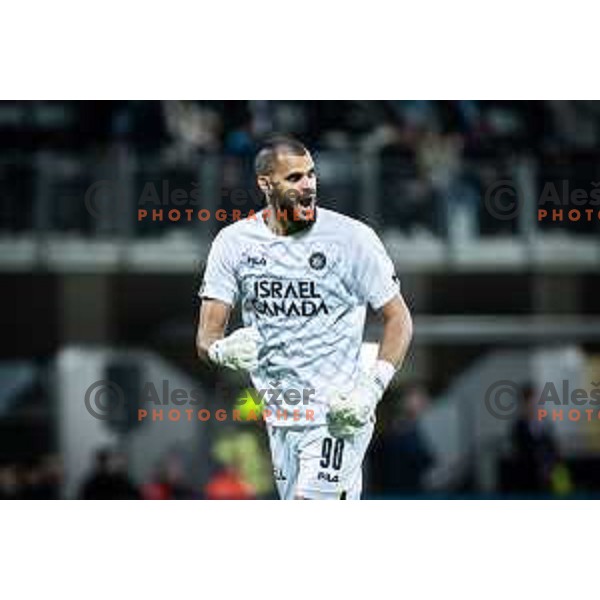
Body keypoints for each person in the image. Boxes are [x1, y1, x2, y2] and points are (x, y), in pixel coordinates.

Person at [196, 135, 413, 500]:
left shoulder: (352, 239)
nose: (308, 185)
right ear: (266, 184)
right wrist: (221, 351)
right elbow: (206, 337)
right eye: (295, 178)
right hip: (279, 418)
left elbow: (400, 319)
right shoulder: (232, 244)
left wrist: (371, 388)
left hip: (338, 415)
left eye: (311, 175)